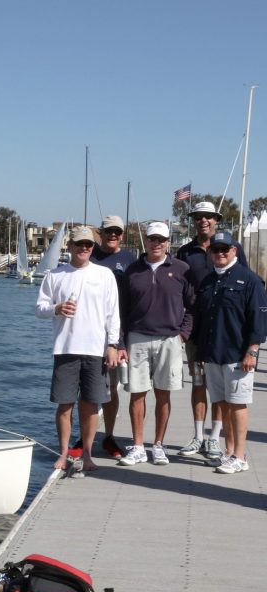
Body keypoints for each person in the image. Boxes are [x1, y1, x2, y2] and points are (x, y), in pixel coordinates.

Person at [35, 226, 120, 475]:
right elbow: (39, 308)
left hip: (95, 350)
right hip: (65, 348)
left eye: (89, 245)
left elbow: (112, 313)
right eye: (79, 244)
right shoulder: (55, 275)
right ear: (69, 246)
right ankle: (63, 452)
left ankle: (88, 453)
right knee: (64, 404)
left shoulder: (104, 275)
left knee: (91, 405)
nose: (84, 248)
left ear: (93, 248)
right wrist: (56, 308)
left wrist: (112, 345)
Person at [175, 200, 249, 460]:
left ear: (216, 219)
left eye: (208, 217)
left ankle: (214, 438)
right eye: (198, 217)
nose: (203, 221)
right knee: (198, 382)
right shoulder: (185, 252)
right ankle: (197, 436)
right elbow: (179, 291)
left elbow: (245, 286)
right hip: (196, 331)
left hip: (225, 333)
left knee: (220, 389)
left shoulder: (233, 247)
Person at [117, 221, 194, 466]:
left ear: (168, 242)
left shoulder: (182, 269)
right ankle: (138, 445)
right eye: (152, 239)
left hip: (169, 340)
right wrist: (120, 342)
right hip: (137, 338)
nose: (157, 243)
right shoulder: (132, 271)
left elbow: (193, 306)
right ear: (146, 241)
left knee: (163, 394)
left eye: (161, 239)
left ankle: (158, 445)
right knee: (137, 394)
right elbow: (121, 309)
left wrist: (183, 334)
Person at [191, 230, 267, 474]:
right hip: (213, 354)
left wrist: (252, 351)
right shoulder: (209, 281)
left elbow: (259, 319)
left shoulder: (250, 280)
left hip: (238, 355)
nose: (221, 253)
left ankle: (240, 456)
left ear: (235, 251)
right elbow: (202, 319)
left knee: (238, 405)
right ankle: (229, 451)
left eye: (225, 249)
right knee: (222, 404)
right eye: (216, 249)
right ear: (210, 253)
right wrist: (200, 353)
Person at [89, 214, 138, 458]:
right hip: (88, 333)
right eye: (109, 231)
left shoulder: (129, 259)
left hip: (116, 334)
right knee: (86, 389)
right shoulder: (89, 254)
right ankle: (84, 437)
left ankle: (108, 436)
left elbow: (135, 298)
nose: (113, 236)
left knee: (111, 388)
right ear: (101, 232)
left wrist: (123, 341)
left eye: (117, 232)